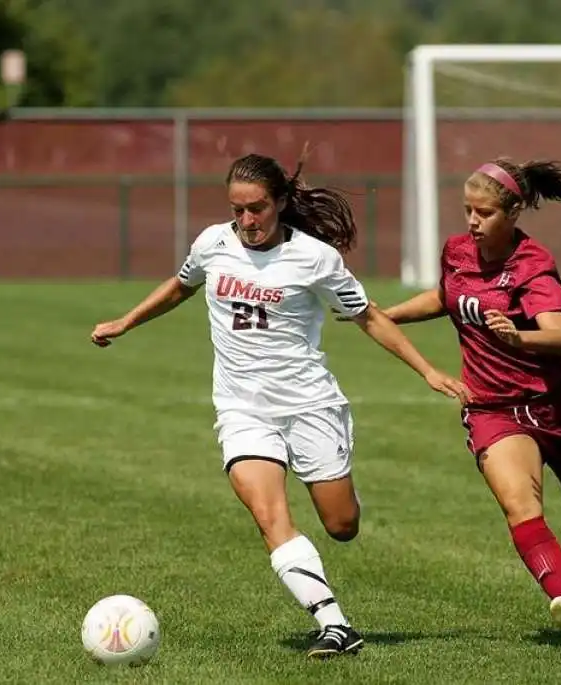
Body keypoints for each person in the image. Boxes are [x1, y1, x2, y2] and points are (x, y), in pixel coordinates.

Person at [90, 151, 469, 659]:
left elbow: (369, 317)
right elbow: (182, 285)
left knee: (341, 526)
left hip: (310, 405)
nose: (247, 221)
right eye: (238, 209)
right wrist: (126, 321)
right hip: (242, 408)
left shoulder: (315, 259)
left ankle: (344, 504)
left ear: (281, 203)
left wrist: (427, 370)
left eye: (258, 208)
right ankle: (335, 624)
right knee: (269, 516)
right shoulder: (213, 242)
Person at [378, 158, 561, 643]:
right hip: (491, 406)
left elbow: (560, 336)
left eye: (484, 213)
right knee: (520, 506)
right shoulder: (458, 252)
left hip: (555, 405)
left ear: (513, 213)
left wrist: (519, 339)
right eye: (468, 210)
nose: (472, 222)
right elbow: (445, 297)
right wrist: (384, 315)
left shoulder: (533, 265)